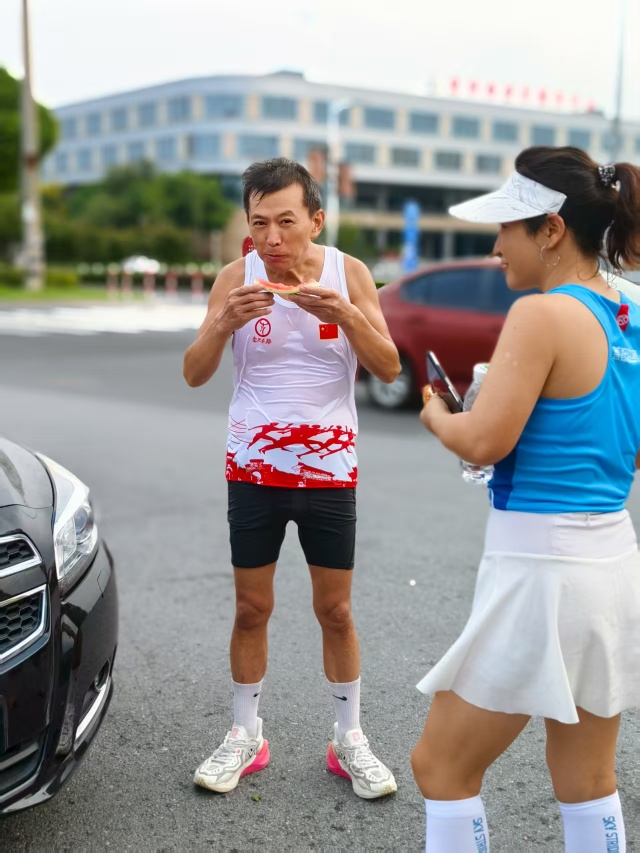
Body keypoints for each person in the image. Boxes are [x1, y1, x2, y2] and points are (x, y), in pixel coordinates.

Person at [412, 147, 640, 852]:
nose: (495, 245)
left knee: (441, 766)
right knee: (586, 776)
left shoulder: (542, 315)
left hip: (541, 569)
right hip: (610, 561)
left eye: (506, 227)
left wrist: (437, 415)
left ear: (550, 229)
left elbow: (483, 440)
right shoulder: (628, 312)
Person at [183, 157, 400, 799]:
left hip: (330, 471)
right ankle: (245, 734)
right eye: (258, 223)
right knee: (251, 608)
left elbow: (389, 367)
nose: (271, 238)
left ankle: (349, 739)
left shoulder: (348, 274)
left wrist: (348, 314)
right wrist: (225, 321)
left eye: (285, 222)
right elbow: (194, 372)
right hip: (252, 468)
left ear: (316, 220)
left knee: (335, 610)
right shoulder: (236, 277)